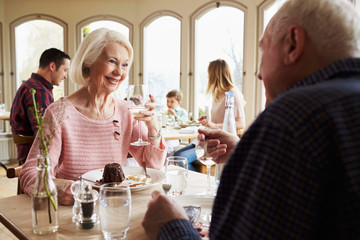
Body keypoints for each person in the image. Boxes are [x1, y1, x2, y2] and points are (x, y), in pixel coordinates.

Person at [142, 0, 360, 239]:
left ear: (293, 44)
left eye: (263, 49)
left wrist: (170, 226)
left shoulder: (289, 119)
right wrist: (246, 152)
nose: (258, 73)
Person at [20, 28, 167, 205]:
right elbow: (30, 173)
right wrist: (59, 189)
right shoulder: (59, 113)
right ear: (88, 62)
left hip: (114, 207)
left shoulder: (125, 111)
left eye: (125, 64)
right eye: (112, 61)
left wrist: (153, 124)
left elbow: (152, 165)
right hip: (74, 213)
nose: (119, 72)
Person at [173, 59, 245, 171]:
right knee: (176, 154)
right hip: (209, 138)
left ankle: (197, 182)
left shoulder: (232, 94)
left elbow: (240, 123)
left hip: (220, 142)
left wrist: (214, 125)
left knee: (182, 158)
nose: (208, 77)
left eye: (209, 73)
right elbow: (216, 120)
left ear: (214, 74)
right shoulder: (217, 94)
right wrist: (208, 122)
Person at [10, 48, 70, 164]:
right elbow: (43, 134)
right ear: (52, 66)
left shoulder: (32, 85)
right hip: (35, 157)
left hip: (28, 153)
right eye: (65, 70)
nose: (66, 76)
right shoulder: (38, 91)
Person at [164, 89, 189, 156]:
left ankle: (170, 161)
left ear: (179, 102)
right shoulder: (166, 112)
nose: (169, 104)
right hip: (166, 136)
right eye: (167, 101)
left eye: (172, 102)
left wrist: (175, 116)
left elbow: (184, 124)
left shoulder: (182, 112)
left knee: (167, 145)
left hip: (175, 138)